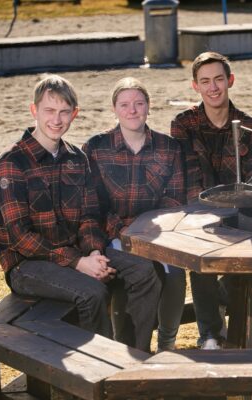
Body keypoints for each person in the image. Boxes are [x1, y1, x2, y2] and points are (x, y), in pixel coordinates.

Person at [0, 74, 160, 348]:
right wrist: (78, 263)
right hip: (27, 264)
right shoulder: (13, 163)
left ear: (75, 113)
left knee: (143, 271)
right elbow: (20, 237)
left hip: (77, 252)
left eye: (64, 112)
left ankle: (134, 355)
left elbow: (90, 216)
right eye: (49, 110)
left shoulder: (76, 159)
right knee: (93, 292)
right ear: (34, 110)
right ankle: (99, 367)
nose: (56, 120)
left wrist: (93, 252)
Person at [171, 51, 252, 349]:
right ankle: (211, 334)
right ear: (195, 86)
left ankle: (237, 320)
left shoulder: (250, 126)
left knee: (246, 265)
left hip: (242, 214)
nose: (213, 87)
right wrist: (207, 213)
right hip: (199, 213)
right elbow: (187, 177)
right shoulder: (183, 124)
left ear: (230, 80)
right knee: (201, 263)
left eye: (218, 79)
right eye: (205, 81)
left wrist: (237, 209)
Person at [83, 77, 187, 352]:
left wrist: (150, 228)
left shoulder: (169, 147)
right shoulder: (96, 147)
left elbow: (174, 198)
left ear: (148, 107)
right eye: (125, 104)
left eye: (139, 103)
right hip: (113, 234)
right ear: (114, 109)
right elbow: (93, 203)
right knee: (133, 272)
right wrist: (123, 231)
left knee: (175, 273)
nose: (132, 110)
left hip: (157, 232)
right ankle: (128, 348)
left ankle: (166, 343)